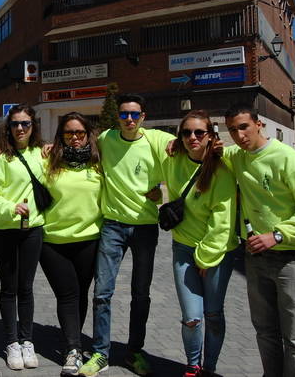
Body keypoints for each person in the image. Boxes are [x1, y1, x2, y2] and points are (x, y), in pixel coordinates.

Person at [223, 103, 295, 377]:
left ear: (259, 125)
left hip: (291, 258)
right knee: (265, 331)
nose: (239, 134)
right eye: (232, 130)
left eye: (244, 127)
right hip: (255, 258)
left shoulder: (288, 158)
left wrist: (277, 235)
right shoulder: (238, 156)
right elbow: (208, 148)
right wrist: (176, 146)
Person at [80, 93, 174, 377]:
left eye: (134, 114)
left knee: (141, 294)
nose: (129, 119)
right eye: (123, 114)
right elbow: (77, 140)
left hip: (145, 227)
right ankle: (100, 353)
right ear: (117, 117)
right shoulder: (107, 138)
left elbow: (178, 146)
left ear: (143, 117)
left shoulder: (155, 139)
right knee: (102, 293)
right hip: (112, 226)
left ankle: (134, 352)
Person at [158, 110, 238, 377]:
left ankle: (209, 368)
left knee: (213, 314)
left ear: (210, 136)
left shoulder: (221, 170)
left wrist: (205, 258)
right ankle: (193, 366)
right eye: (186, 132)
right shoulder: (173, 159)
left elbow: (223, 221)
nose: (192, 137)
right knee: (192, 318)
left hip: (216, 252)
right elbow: (139, 139)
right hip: (182, 248)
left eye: (199, 132)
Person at [0, 104, 45, 371]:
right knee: (9, 287)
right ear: (8, 128)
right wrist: (10, 208)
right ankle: (11, 342)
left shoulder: (43, 154)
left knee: (26, 287)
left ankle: (27, 340)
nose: (20, 128)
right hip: (4, 229)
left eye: (25, 124)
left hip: (33, 229)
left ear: (33, 127)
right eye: (15, 124)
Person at [40, 112, 103, 376]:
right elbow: (17, 159)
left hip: (89, 240)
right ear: (60, 136)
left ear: (88, 135)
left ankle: (73, 340)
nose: (75, 138)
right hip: (53, 242)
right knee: (67, 294)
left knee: (81, 293)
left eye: (79, 133)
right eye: (69, 133)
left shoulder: (100, 163)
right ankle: (73, 349)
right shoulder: (47, 162)